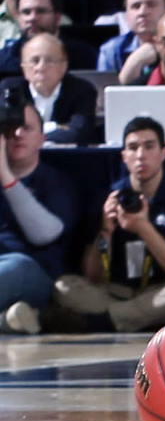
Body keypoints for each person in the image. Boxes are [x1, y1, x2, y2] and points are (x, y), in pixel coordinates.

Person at [34, 116, 165, 334]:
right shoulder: (108, 197)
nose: (140, 155)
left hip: (160, 290)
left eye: (149, 146)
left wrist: (143, 227)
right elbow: (92, 277)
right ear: (123, 156)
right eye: (133, 148)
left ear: (164, 153)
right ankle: (133, 318)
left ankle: (100, 322)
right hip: (115, 292)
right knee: (64, 287)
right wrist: (106, 230)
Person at [0, 102, 79, 334]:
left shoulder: (56, 182)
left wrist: (5, 175)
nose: (17, 134)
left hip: (36, 272)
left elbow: (43, 235)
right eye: (10, 128)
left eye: (26, 128)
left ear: (42, 138)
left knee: (17, 266)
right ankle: (7, 320)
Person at [0, 33, 97, 146]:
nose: (41, 67)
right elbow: (6, 131)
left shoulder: (83, 90)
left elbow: (79, 134)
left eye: (50, 60)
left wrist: (30, 135)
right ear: (24, 67)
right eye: (35, 60)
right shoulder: (10, 88)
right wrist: (56, 127)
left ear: (64, 66)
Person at [0, 0, 97, 72]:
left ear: (57, 17)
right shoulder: (3, 59)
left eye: (41, 11)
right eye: (26, 12)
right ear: (19, 18)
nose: (32, 18)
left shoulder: (84, 55)